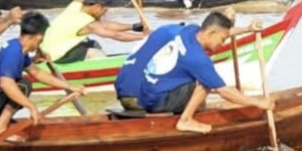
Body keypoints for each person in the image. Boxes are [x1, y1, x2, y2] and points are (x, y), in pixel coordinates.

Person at [114, 11, 273, 134]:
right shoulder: (197, 58)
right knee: (205, 82)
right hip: (153, 101)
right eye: (222, 39)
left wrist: (247, 29)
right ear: (211, 33)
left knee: (195, 77)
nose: (222, 43)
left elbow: (220, 31)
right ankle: (186, 120)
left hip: (141, 92)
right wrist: (258, 102)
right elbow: (224, 91)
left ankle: (198, 109)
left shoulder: (187, 31)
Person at [0, 12, 86, 139]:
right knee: (24, 85)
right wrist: (31, 107)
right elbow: (6, 84)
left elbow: (37, 72)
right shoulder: (13, 52)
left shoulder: (17, 48)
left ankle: (1, 122)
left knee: (21, 85)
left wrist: (69, 86)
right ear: (39, 37)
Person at [39, 0, 149, 64]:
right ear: (98, 6)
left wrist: (134, 27)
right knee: (95, 53)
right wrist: (145, 37)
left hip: (45, 50)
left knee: (93, 43)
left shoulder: (76, 4)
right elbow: (116, 35)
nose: (104, 13)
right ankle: (98, 71)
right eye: (104, 10)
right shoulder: (89, 23)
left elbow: (105, 25)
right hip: (56, 56)